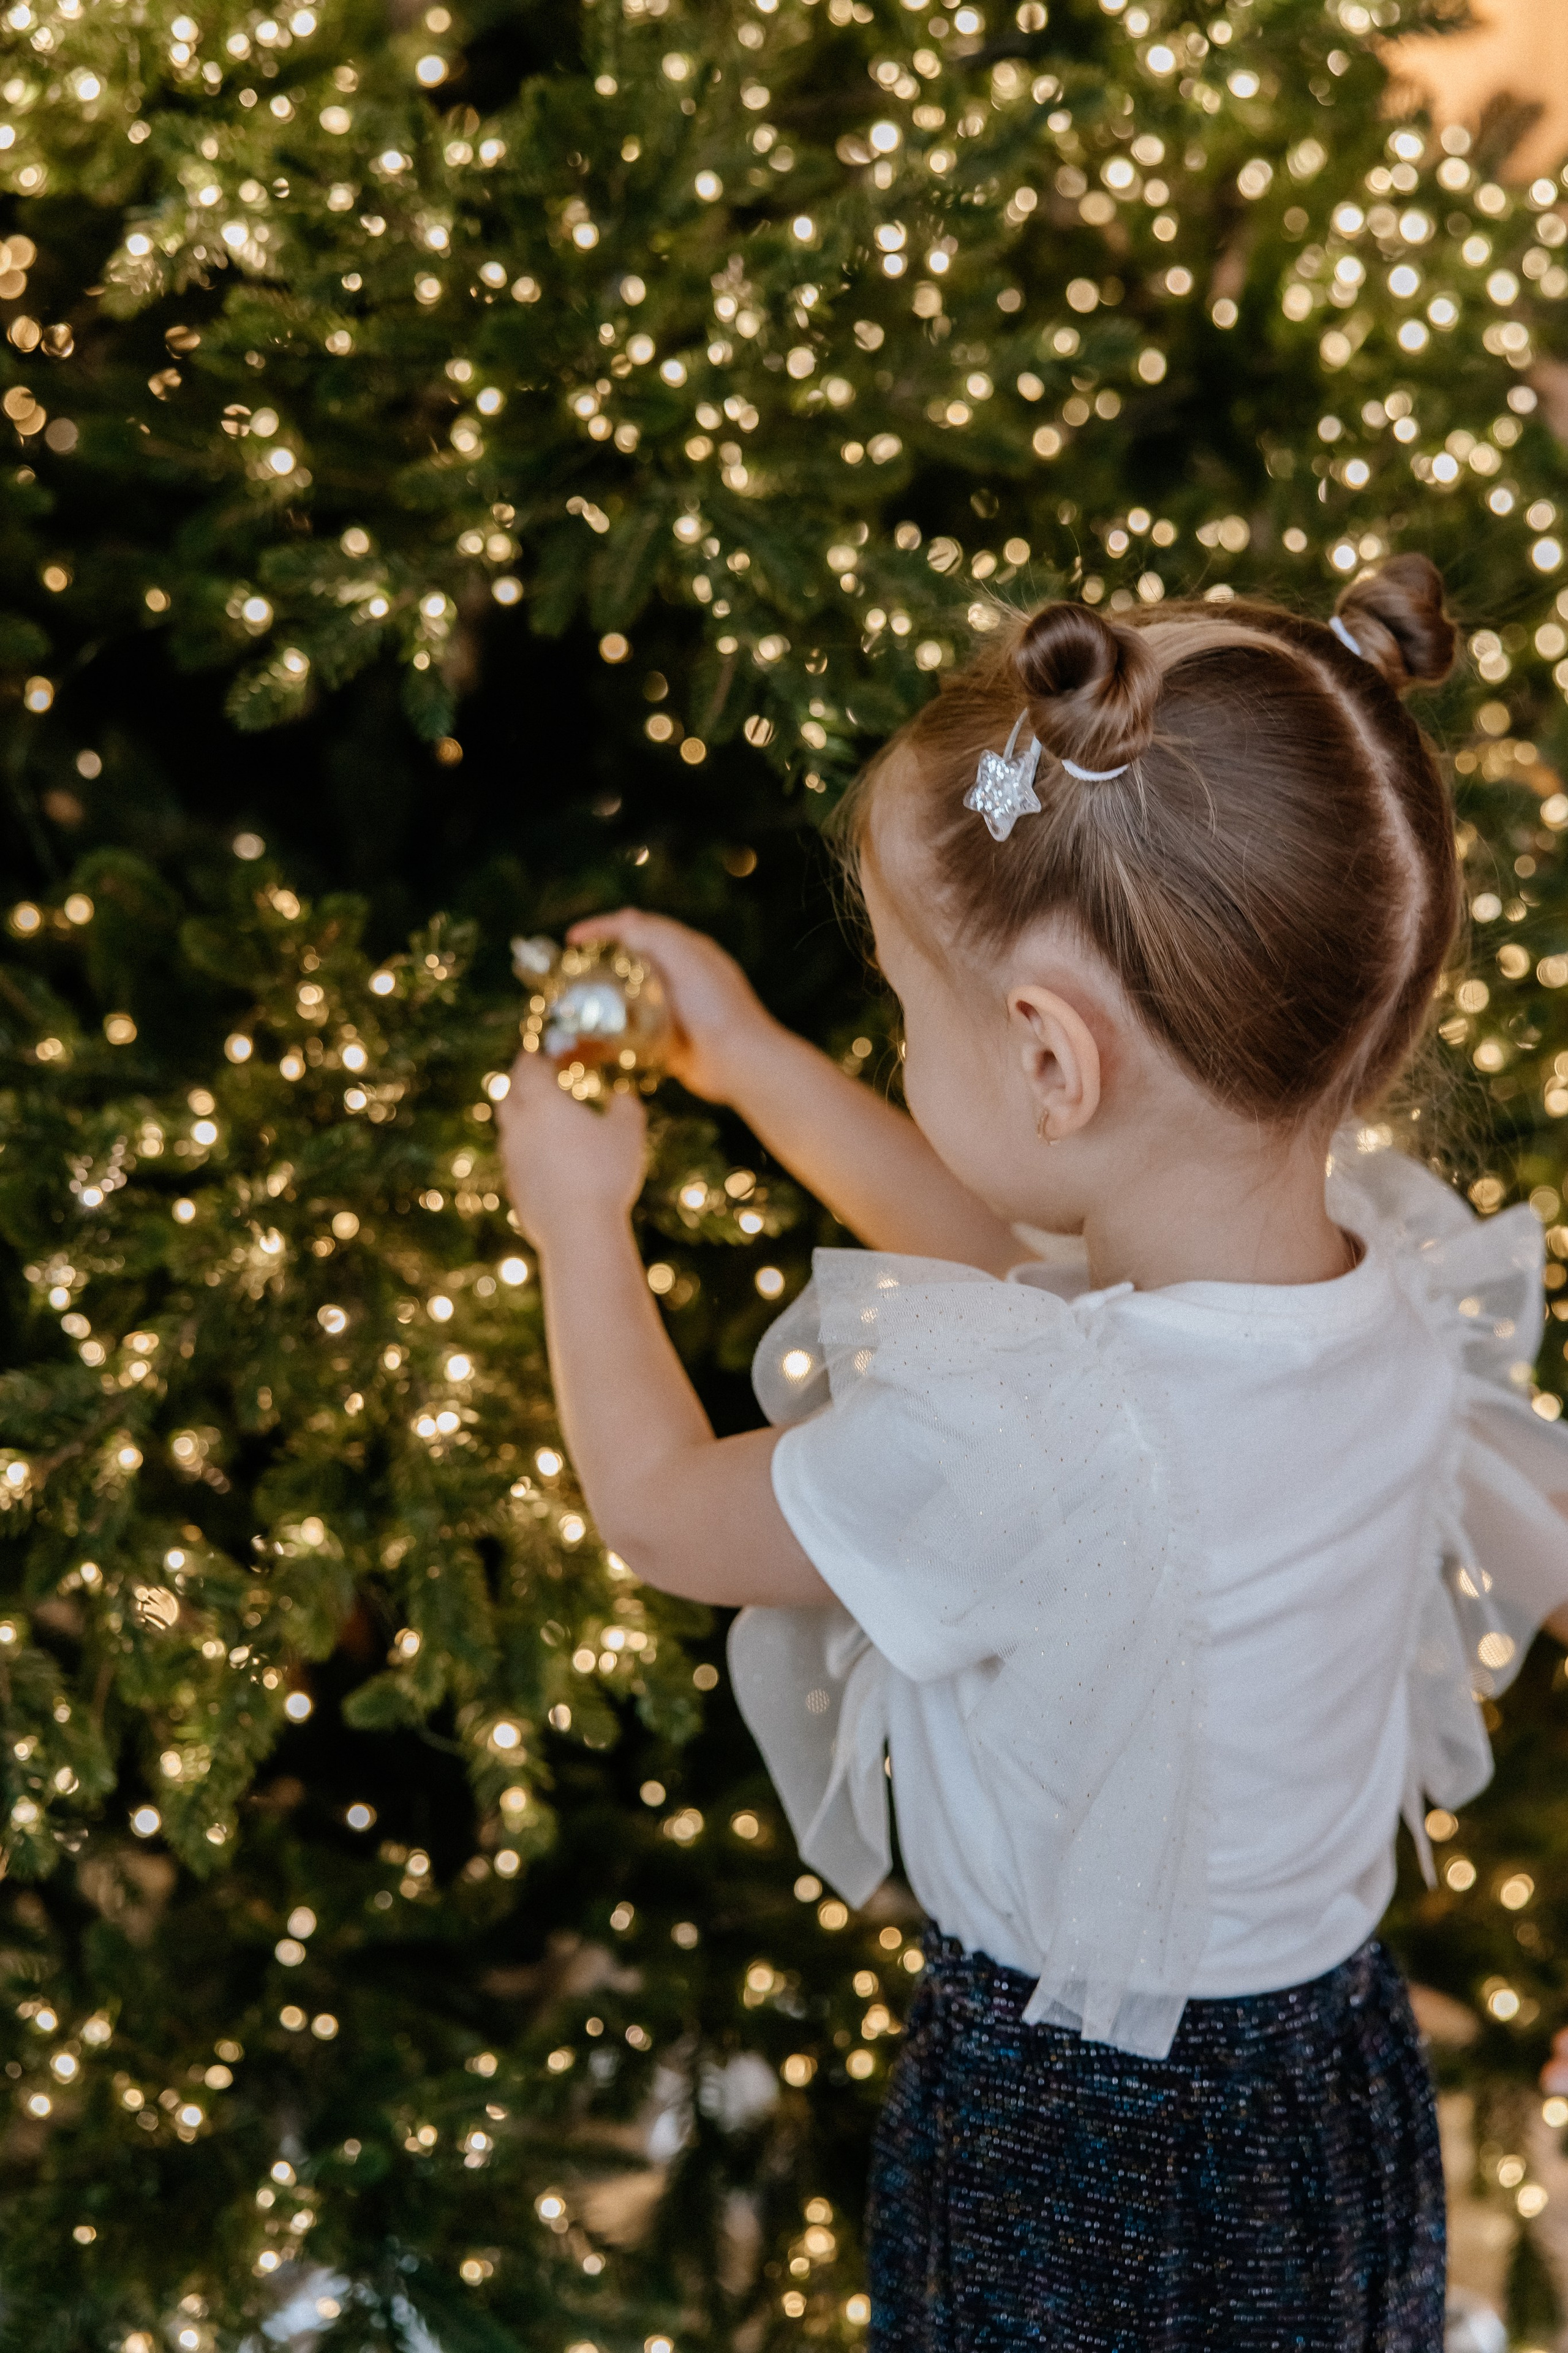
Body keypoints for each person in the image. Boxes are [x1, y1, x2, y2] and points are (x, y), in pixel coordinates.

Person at [497, 557, 1568, 2351]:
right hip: (1327, 2084)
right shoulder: (1381, 1285)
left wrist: (577, 1222)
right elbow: (1014, 1266)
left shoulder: (1031, 1439)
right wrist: (749, 1063)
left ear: (1054, 1063)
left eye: (912, 1015)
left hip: (1084, 2130)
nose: (906, 1049)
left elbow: (671, 1517)